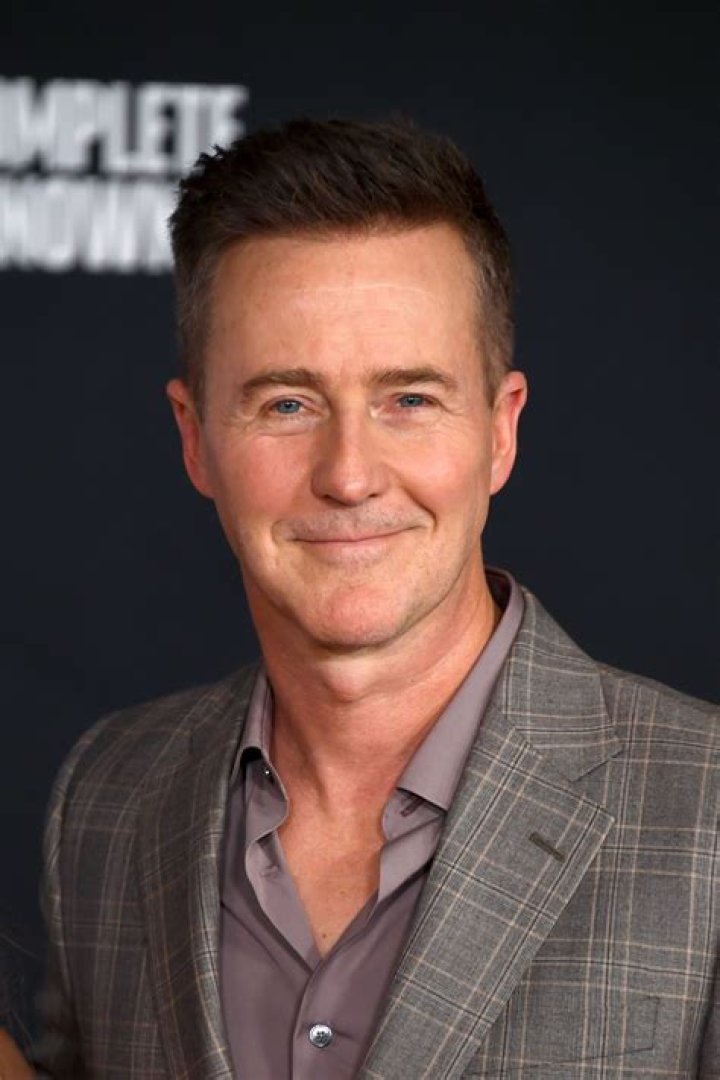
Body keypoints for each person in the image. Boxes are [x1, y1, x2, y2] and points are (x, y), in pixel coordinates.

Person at [34, 118, 717, 1079]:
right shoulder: (108, 794)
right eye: (287, 404)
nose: (349, 476)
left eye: (410, 400)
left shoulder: (706, 809)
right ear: (195, 439)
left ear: (500, 431)